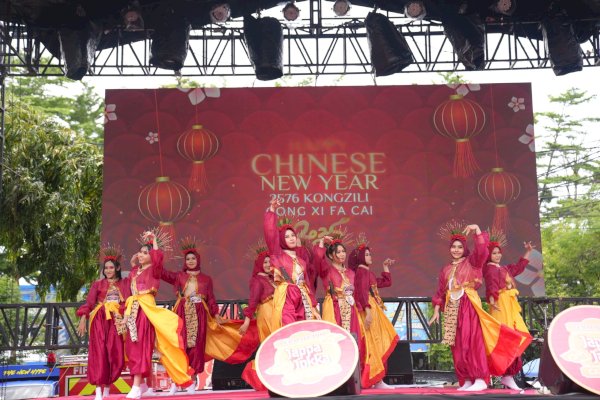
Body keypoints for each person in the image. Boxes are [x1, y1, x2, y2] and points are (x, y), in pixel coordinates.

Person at [428, 222, 529, 392]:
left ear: (464, 248)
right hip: (453, 307)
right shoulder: (445, 269)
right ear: (449, 248)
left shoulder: (472, 262)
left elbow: (482, 251)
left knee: (471, 341)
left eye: (460, 247)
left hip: (468, 304)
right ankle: (466, 378)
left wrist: (477, 231)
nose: (456, 250)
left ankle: (480, 378)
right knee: (458, 344)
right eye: (453, 247)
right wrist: (437, 310)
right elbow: (440, 291)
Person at [160, 237, 259, 393]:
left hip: (200, 314)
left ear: (198, 260)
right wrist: (154, 250)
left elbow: (211, 299)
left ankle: (190, 382)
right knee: (180, 346)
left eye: (193, 258)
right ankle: (175, 381)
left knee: (196, 348)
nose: (191, 261)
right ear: (184, 261)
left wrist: (216, 314)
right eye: (188, 259)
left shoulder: (206, 279)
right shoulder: (179, 276)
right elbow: (161, 273)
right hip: (182, 313)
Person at [124, 230, 192, 399]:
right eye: (140, 252)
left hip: (147, 310)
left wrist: (154, 241)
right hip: (134, 310)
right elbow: (129, 292)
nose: (141, 255)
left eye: (145, 252)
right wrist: (125, 314)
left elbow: (157, 257)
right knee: (133, 346)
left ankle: (136, 386)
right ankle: (143, 385)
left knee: (141, 345)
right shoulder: (134, 272)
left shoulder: (155, 269)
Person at [77, 245, 130, 400]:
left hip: (116, 321)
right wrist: (82, 319)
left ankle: (107, 387)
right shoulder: (97, 284)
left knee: (115, 354)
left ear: (117, 268)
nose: (108, 270)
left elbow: (127, 302)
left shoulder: (124, 283)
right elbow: (89, 304)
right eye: (106, 268)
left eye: (111, 267)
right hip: (99, 321)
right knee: (99, 353)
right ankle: (99, 391)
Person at [483, 237, 534, 390]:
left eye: (499, 253)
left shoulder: (503, 268)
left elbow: (519, 267)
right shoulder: (490, 269)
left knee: (517, 336)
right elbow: (491, 285)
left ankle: (508, 376)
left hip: (510, 305)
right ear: (488, 255)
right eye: (494, 253)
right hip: (501, 304)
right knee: (506, 339)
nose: (497, 255)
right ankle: (505, 375)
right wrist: (492, 300)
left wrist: (528, 251)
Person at [349, 239, 398, 389]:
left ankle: (377, 380)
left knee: (378, 341)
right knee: (375, 342)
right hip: (369, 309)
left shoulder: (366, 272)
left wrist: (385, 266)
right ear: (361, 257)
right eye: (368, 254)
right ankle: (377, 380)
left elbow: (385, 282)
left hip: (373, 308)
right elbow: (362, 293)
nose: (371, 257)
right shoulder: (362, 272)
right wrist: (368, 311)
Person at [263, 198, 320, 329]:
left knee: (304, 330)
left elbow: (307, 284)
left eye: (293, 235)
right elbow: (270, 233)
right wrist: (272, 210)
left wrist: (313, 306)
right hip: (286, 296)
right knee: (289, 330)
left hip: (302, 297)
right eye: (287, 236)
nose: (291, 238)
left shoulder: (301, 261)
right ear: (282, 240)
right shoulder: (278, 255)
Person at [239, 242, 276, 391]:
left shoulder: (273, 278)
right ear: (259, 264)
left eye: (270, 262)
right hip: (267, 314)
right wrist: (247, 321)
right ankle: (255, 375)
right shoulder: (258, 280)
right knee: (271, 345)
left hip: (277, 313)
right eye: (265, 262)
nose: (268, 265)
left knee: (278, 345)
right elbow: (253, 301)